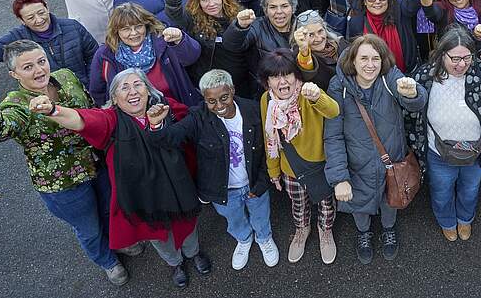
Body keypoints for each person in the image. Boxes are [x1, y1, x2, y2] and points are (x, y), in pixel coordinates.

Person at [28, 68, 210, 288]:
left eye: (137, 85)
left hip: (177, 186)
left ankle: (194, 254)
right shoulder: (111, 120)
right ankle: (176, 263)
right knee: (159, 236)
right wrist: (54, 110)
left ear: (148, 89)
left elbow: (192, 120)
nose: (132, 91)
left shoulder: (165, 106)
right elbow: (81, 120)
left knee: (188, 226)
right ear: (114, 97)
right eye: (124, 87)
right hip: (143, 196)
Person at [0, 44, 127, 286]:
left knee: (110, 209)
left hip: (96, 162)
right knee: (88, 228)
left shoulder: (66, 77)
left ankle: (118, 241)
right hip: (62, 182)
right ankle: (107, 260)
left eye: (41, 61)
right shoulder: (16, 104)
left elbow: (89, 108)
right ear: (14, 75)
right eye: (28, 67)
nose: (39, 70)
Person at [146, 69, 278, 270]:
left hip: (253, 182)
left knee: (260, 214)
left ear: (233, 90)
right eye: (211, 101)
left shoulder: (252, 110)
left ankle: (264, 238)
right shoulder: (198, 117)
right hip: (223, 190)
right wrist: (156, 126)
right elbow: (170, 138)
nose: (219, 106)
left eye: (224, 97)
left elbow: (267, 148)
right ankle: (244, 239)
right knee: (233, 219)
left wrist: (261, 182)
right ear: (204, 99)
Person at [324, 35, 427, 263]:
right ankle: (363, 232)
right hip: (357, 164)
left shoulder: (389, 77)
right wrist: (339, 177)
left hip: (391, 160)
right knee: (359, 204)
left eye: (375, 59)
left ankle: (389, 229)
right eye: (364, 59)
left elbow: (416, 99)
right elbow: (333, 135)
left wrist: (413, 93)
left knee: (391, 198)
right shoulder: (338, 87)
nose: (370, 65)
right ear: (353, 60)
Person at [408, 27, 481, 242]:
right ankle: (447, 221)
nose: (461, 64)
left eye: (467, 58)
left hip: (477, 151)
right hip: (438, 153)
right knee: (441, 191)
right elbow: (409, 108)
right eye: (455, 58)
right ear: (441, 54)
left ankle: (465, 219)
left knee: (470, 189)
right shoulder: (425, 75)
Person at [258, 49, 340, 264]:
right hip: (290, 168)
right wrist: (273, 171)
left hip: (319, 165)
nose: (282, 81)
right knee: (298, 204)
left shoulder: (308, 93)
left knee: (326, 204)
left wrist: (317, 96)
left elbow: (333, 111)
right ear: (267, 81)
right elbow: (270, 138)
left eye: (287, 74)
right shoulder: (267, 100)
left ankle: (325, 231)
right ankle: (302, 230)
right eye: (275, 76)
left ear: (297, 76)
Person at [89, 2, 202, 106]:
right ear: (116, 31)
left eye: (138, 26)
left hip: (177, 110)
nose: (134, 33)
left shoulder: (163, 40)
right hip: (133, 121)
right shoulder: (105, 54)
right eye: (126, 29)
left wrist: (180, 40)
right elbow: (98, 92)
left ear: (146, 25)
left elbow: (191, 57)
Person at [0, 0, 98, 89]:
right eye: (30, 17)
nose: (39, 20)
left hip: (86, 91)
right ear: (21, 20)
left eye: (41, 13)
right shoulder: (17, 39)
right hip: (47, 100)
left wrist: (92, 85)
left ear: (47, 7)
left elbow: (94, 56)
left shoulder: (73, 27)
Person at [166, 0, 254, 97]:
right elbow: (174, 12)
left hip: (239, 85)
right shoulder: (193, 20)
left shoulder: (240, 17)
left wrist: (240, 26)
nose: (211, 3)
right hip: (208, 87)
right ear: (198, 2)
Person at [223, 0, 298, 83]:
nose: (279, 12)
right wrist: (240, 26)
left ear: (292, 8)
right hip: (266, 88)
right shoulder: (257, 26)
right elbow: (231, 45)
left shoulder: (302, 26)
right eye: (273, 7)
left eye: (284, 6)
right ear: (265, 10)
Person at [348, 0, 420, 72]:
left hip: (407, 72)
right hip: (373, 76)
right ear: (364, 1)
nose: (377, 1)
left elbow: (412, 6)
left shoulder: (399, 9)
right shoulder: (356, 23)